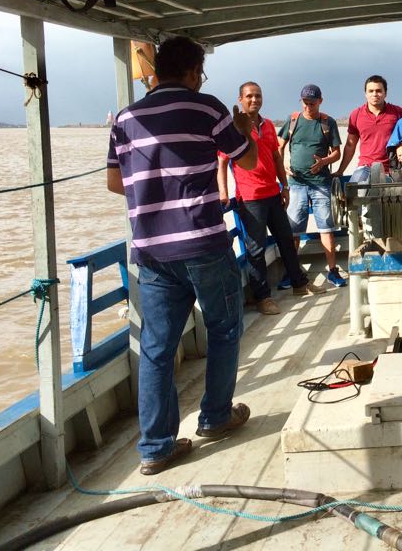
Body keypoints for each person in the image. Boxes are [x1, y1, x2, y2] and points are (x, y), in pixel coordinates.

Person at [106, 36, 255, 476]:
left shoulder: (125, 118)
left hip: (151, 250)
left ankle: (155, 447)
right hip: (203, 242)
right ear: (192, 72)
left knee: (156, 347)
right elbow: (244, 161)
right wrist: (242, 127)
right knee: (225, 327)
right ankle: (215, 416)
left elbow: (116, 184)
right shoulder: (207, 107)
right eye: (200, 73)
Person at [217, 82, 322, 317]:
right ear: (240, 99)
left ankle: (299, 284)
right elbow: (222, 162)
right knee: (255, 248)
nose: (254, 100)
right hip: (250, 196)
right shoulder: (234, 127)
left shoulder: (267, 126)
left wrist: (284, 186)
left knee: (286, 239)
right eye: (249, 96)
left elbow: (276, 156)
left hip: (273, 193)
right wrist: (223, 192)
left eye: (258, 95)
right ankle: (262, 297)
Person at [278, 84, 348, 288]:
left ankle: (333, 271)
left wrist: (323, 162)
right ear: (301, 101)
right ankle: (291, 272)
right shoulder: (293, 121)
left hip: (321, 185)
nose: (308, 106)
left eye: (312, 103)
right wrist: (283, 165)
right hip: (296, 184)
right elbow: (279, 147)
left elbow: (336, 152)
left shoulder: (328, 122)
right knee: (293, 231)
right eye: (305, 103)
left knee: (326, 228)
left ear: (320, 101)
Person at [335, 75, 402, 182]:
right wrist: (340, 171)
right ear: (366, 94)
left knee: (382, 194)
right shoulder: (356, 114)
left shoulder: (397, 113)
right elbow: (350, 145)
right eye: (371, 91)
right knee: (355, 191)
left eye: (378, 91)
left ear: (385, 93)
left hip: (390, 170)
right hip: (364, 167)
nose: (374, 94)